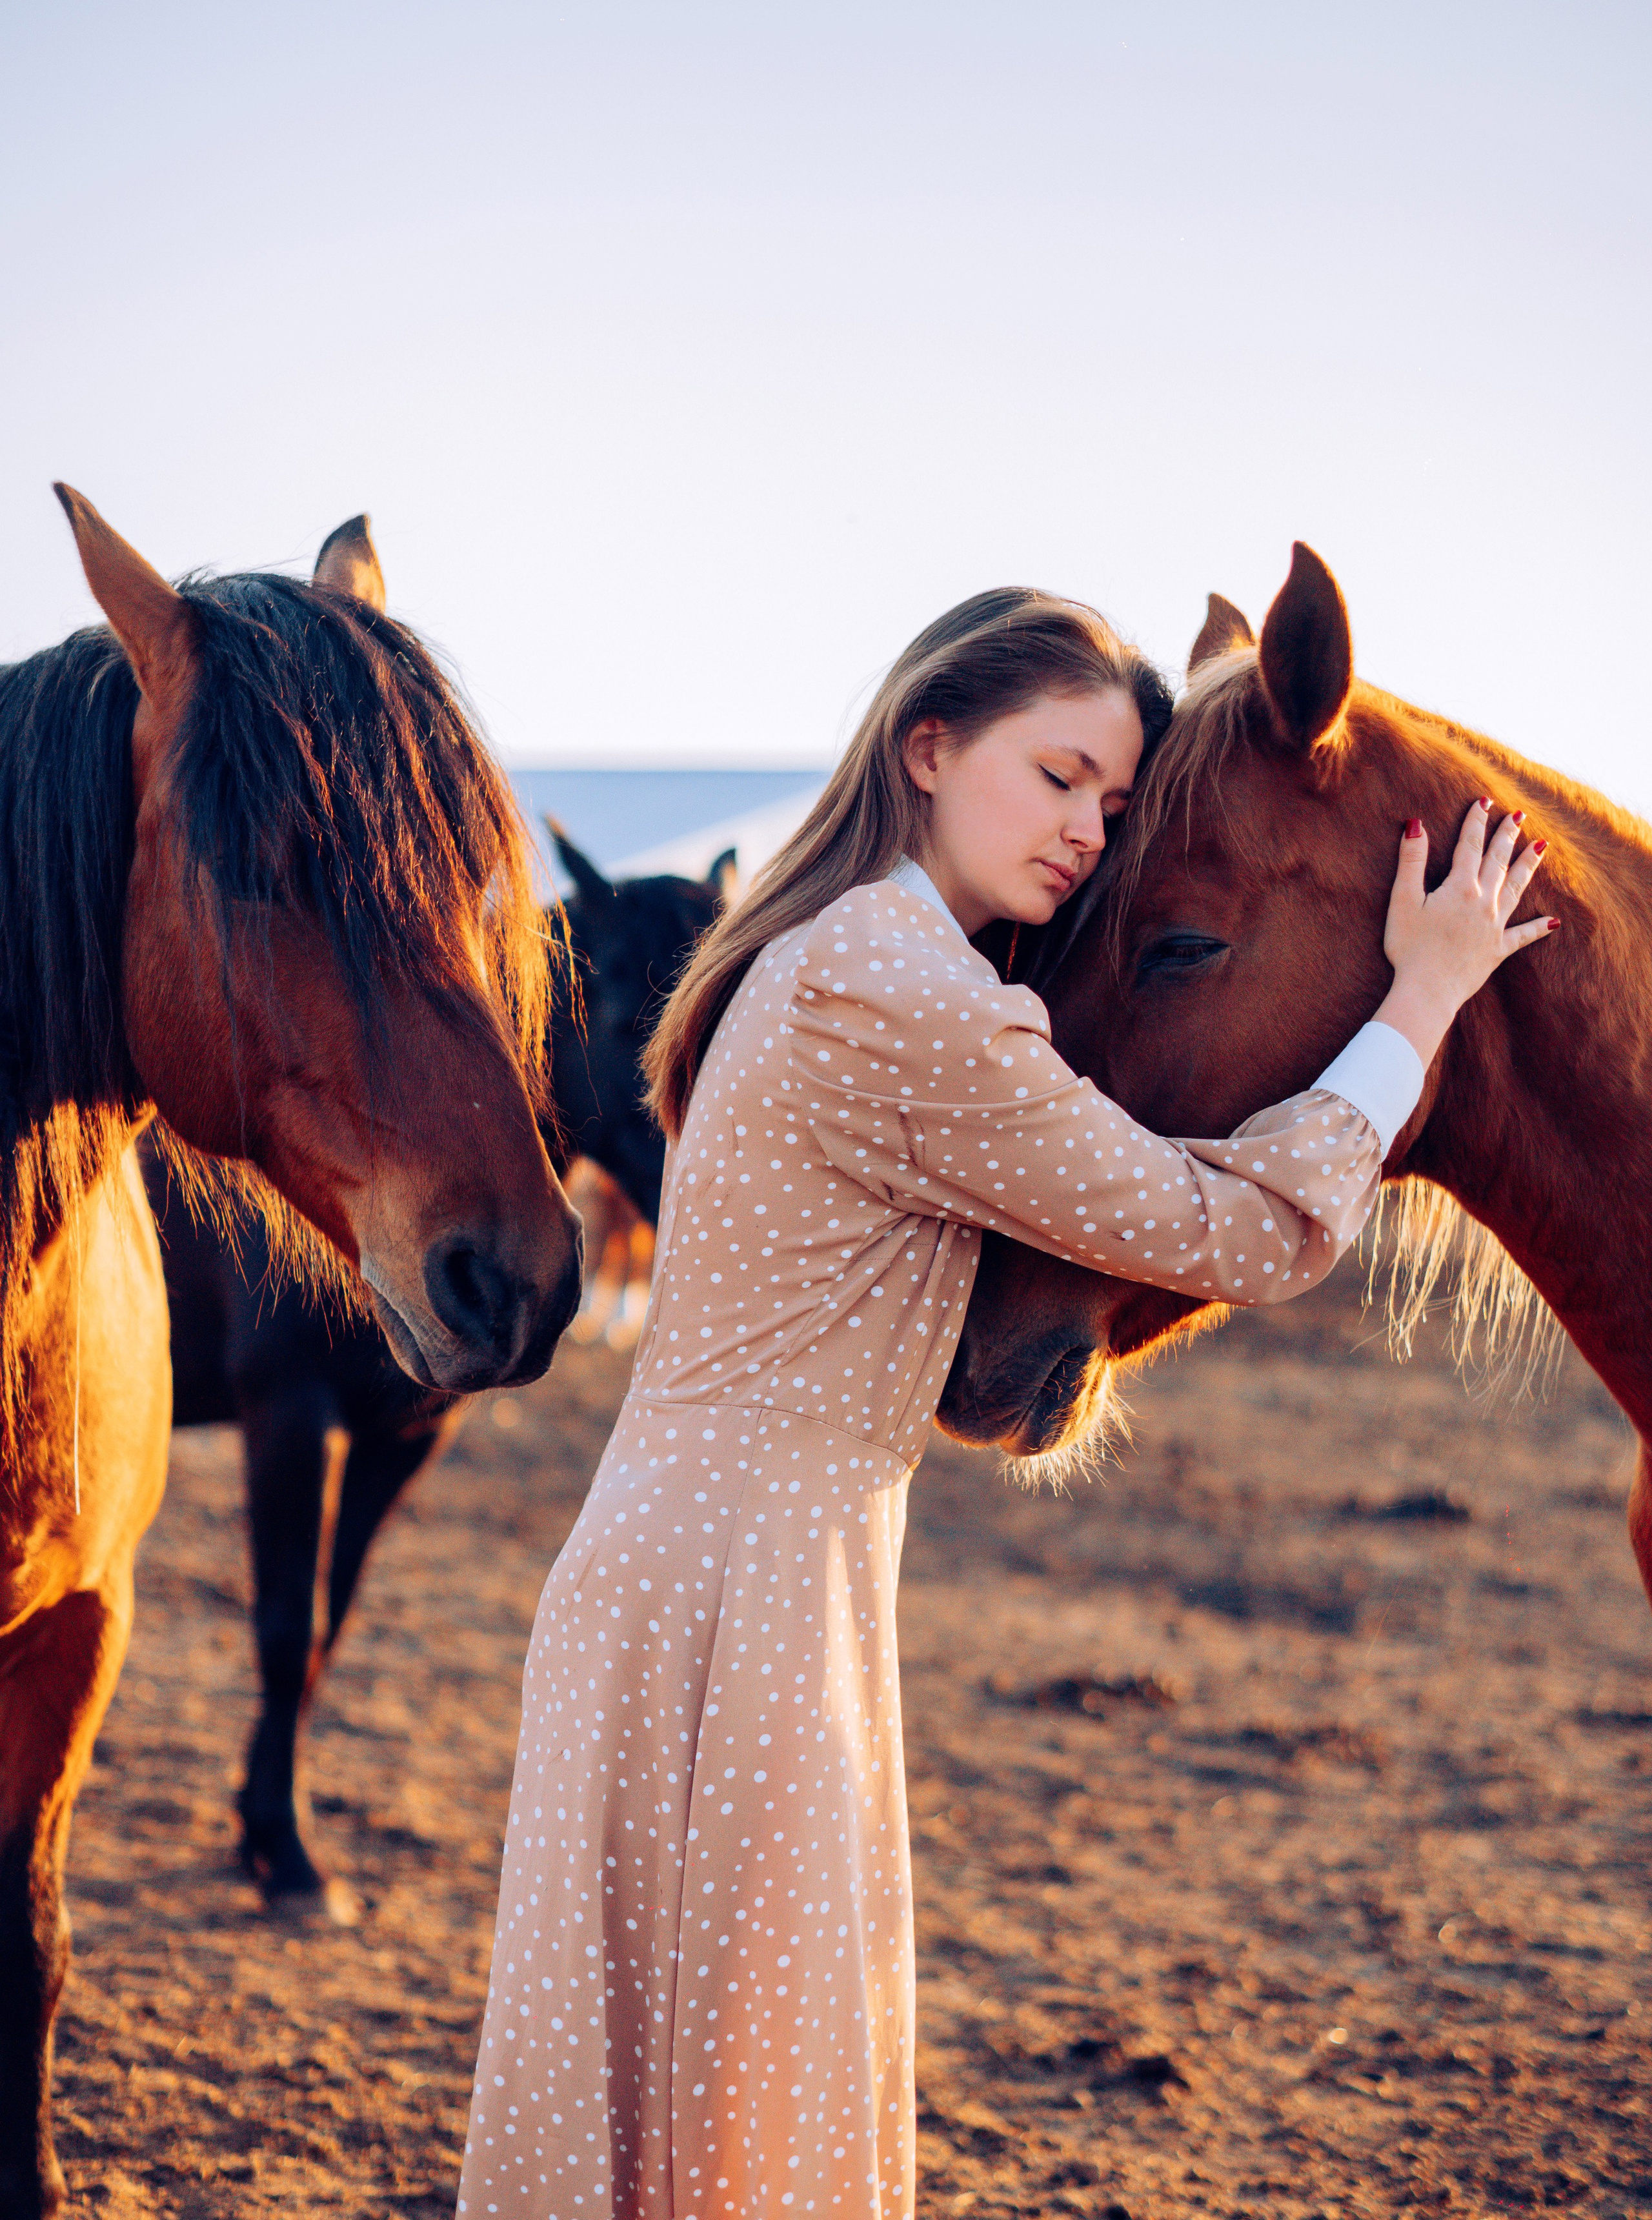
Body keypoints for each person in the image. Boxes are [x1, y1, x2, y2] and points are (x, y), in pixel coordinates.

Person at [457, 589, 1551, 2219]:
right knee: (742, 2100)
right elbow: (1225, 1230)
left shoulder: (827, 952)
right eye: (1055, 777)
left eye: (1109, 807)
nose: (1084, 833)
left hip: (712, 1564)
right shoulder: (894, 985)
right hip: (741, 1591)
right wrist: (1419, 1000)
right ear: (925, 743)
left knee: (670, 2096)